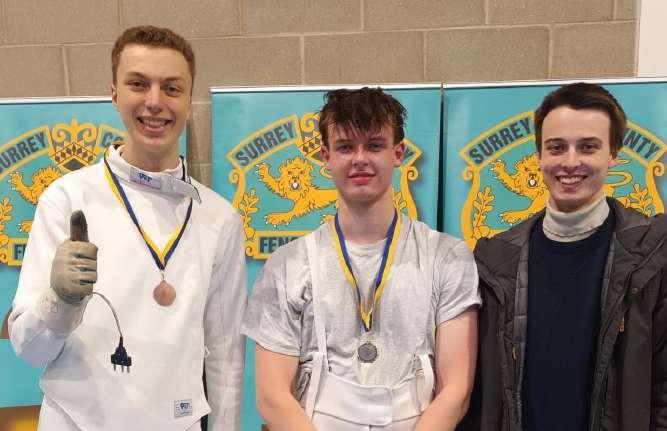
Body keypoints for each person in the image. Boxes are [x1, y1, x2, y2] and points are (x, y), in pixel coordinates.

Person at [8, 26, 247, 430]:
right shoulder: (66, 198)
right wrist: (59, 300)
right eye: (138, 84)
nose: (155, 101)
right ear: (115, 94)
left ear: (189, 102)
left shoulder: (219, 218)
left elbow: (226, 358)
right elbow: (30, 350)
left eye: (171, 88)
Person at [242, 87, 480, 430]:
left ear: (398, 153)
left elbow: (456, 390)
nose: (360, 158)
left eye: (374, 145)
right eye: (345, 147)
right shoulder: (286, 265)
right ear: (326, 157)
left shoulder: (447, 257)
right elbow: (271, 396)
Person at [459, 82, 667, 430]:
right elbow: (480, 391)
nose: (570, 162)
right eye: (556, 147)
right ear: (539, 156)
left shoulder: (654, 255)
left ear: (613, 154)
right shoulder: (495, 261)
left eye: (588, 147)